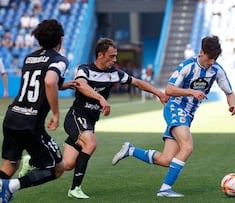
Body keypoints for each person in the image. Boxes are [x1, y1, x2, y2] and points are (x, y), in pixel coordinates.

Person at [20, 37, 169, 199]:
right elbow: (81, 85)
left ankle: (32, 161)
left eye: (115, 56)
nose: (115, 60)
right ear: (100, 55)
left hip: (90, 121)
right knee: (90, 143)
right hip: (76, 116)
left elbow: (138, 83)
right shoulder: (84, 69)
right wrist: (100, 98)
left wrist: (159, 93)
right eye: (111, 56)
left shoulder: (114, 74)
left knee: (67, 165)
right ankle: (75, 189)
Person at [112, 35, 235, 197]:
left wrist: (232, 106)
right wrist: (191, 91)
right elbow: (169, 89)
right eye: (210, 58)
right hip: (175, 107)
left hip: (188, 115)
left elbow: (229, 92)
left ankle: (131, 150)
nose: (212, 62)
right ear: (201, 52)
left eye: (215, 58)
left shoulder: (216, 70)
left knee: (166, 159)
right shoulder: (187, 66)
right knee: (187, 146)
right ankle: (165, 189)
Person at [0, 19, 78, 203]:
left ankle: (3, 190)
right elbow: (49, 81)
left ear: (38, 40)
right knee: (57, 169)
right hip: (30, 124)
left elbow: (39, 81)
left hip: (12, 117)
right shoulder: (59, 60)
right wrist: (56, 113)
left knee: (10, 165)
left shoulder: (29, 57)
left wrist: (63, 85)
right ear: (61, 38)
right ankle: (10, 187)